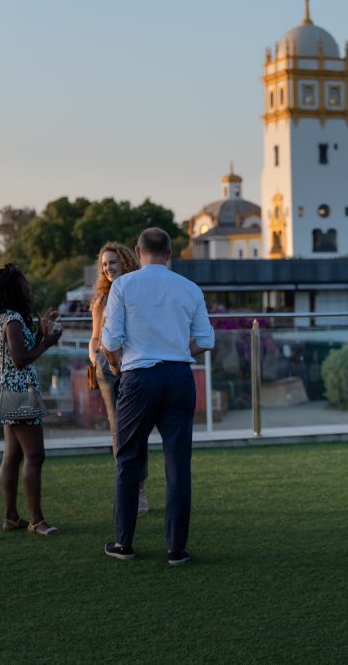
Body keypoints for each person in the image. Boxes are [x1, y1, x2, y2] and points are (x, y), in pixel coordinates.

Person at [102, 228, 215, 564]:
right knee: (178, 466)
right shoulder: (190, 288)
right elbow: (206, 340)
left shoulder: (123, 286)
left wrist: (116, 365)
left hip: (138, 376)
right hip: (179, 376)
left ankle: (124, 544)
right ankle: (176, 550)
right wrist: (181, 350)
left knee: (128, 461)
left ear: (138, 252)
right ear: (169, 253)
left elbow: (110, 342)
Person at [0, 264, 63, 536]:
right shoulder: (14, 320)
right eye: (26, 284)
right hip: (20, 391)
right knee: (35, 455)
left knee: (13, 455)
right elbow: (20, 359)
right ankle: (37, 521)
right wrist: (47, 344)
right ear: (15, 290)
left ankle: (11, 517)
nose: (30, 288)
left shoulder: (6, 317)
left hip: (8, 389)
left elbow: (21, 352)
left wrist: (42, 335)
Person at [88, 242, 147, 515]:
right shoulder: (101, 300)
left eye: (112, 262)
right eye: (104, 264)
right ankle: (130, 493)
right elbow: (96, 338)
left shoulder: (137, 292)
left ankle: (140, 490)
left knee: (140, 429)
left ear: (125, 262)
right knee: (119, 431)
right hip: (108, 368)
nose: (108, 268)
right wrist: (96, 358)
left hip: (135, 366)